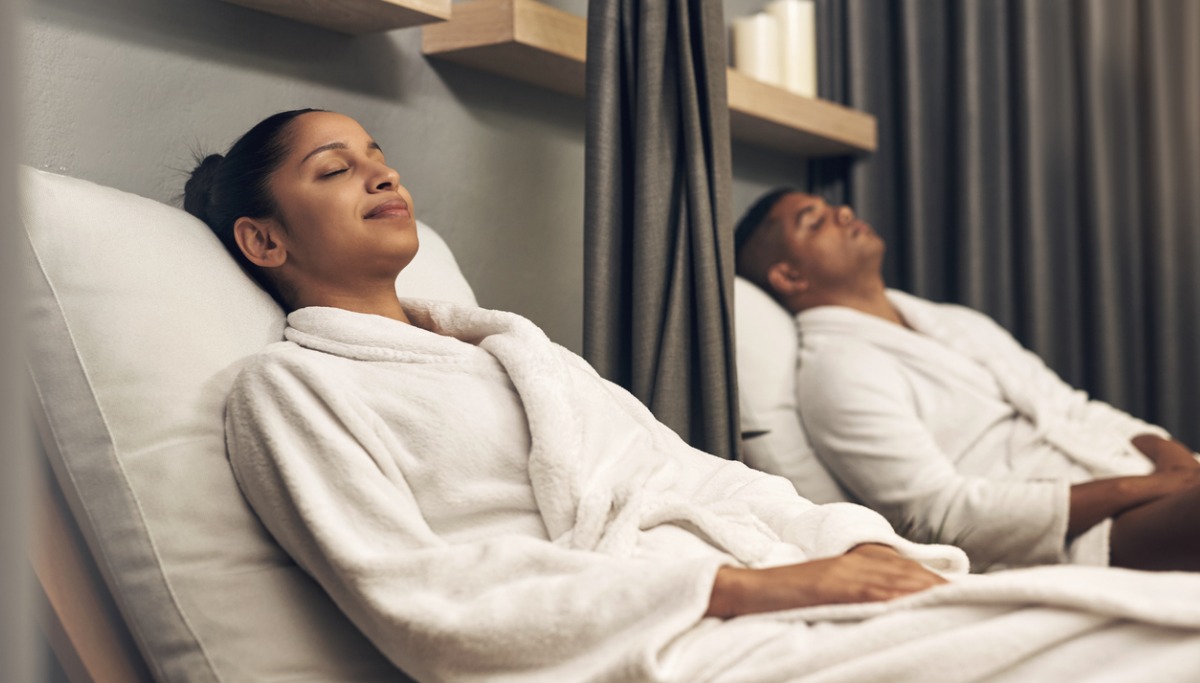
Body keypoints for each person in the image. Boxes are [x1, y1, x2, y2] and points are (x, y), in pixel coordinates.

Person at [185, 110, 1200, 682]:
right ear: (264, 240)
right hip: (660, 643)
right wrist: (746, 588)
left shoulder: (519, 355)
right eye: (334, 168)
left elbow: (700, 474)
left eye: (378, 155)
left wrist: (853, 545)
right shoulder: (289, 389)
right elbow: (429, 605)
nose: (379, 173)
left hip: (768, 601)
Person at [734, 188, 1200, 573]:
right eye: (814, 222)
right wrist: (1151, 487)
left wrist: (1171, 457)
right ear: (789, 275)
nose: (843, 212)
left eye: (832, 208)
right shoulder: (837, 372)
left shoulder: (954, 322)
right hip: (1085, 532)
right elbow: (943, 514)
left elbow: (1072, 407)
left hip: (1144, 479)